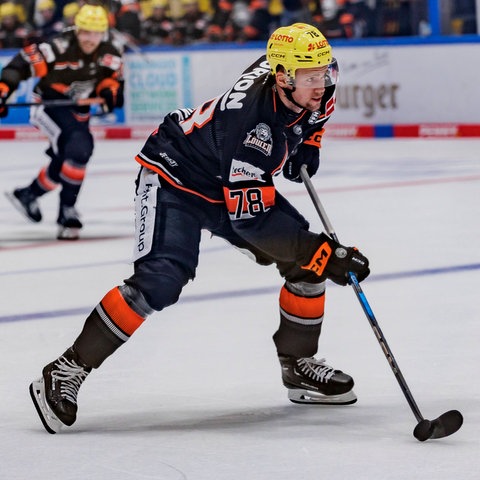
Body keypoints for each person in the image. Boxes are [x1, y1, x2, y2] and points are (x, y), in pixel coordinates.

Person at [28, 22, 370, 434]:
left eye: (326, 72)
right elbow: (252, 220)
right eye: (311, 77)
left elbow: (312, 118)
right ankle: (65, 370)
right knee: (160, 280)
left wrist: (309, 144)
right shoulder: (250, 126)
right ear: (281, 77)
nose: (322, 85)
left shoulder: (302, 84)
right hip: (177, 176)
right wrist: (320, 251)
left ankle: (297, 365)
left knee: (307, 265)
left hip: (228, 179)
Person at [1, 3, 124, 240]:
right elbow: (20, 65)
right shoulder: (58, 47)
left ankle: (28, 194)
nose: (90, 39)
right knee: (79, 148)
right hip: (48, 105)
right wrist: (4, 89)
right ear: (77, 30)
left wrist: (110, 92)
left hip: (78, 110)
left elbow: (113, 85)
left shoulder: (111, 52)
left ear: (104, 33)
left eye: (96, 33)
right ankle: (67, 210)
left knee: (69, 157)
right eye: (86, 32)